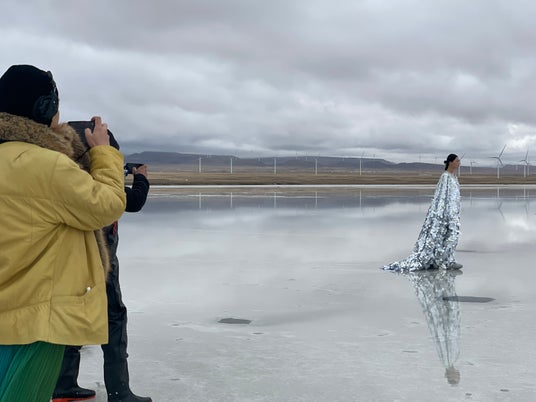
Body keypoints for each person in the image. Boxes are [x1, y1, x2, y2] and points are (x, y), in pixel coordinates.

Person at [0, 65, 126, 402]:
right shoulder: (46, 165)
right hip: (33, 320)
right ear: (43, 108)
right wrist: (102, 152)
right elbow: (106, 205)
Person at [52, 138, 151, 402]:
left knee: (72, 318)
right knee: (114, 319)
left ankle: (63, 386)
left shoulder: (62, 179)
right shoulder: (101, 187)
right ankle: (119, 391)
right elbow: (134, 201)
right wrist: (141, 178)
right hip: (101, 262)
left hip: (68, 265)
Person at [383, 154, 462, 272]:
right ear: (450, 162)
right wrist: (442, 213)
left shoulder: (454, 177)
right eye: (457, 161)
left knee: (451, 235)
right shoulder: (445, 177)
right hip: (445, 213)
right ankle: (441, 260)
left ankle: (448, 259)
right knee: (444, 235)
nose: (459, 163)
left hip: (453, 212)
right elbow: (441, 196)